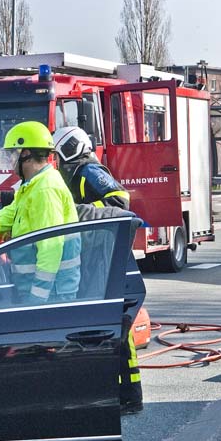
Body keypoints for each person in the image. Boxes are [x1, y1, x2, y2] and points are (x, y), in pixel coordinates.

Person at [0, 121, 81, 441]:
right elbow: (6, 218)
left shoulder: (44, 190)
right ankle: (45, 440)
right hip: (42, 293)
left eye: (14, 153)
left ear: (27, 154)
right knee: (39, 367)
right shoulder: (31, 185)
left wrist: (38, 300)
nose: (11, 159)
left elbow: (50, 247)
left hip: (51, 295)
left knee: (49, 370)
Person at [53, 126, 142, 414]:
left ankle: (129, 395)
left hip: (106, 256)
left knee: (118, 329)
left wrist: (79, 211)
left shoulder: (90, 170)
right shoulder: (72, 174)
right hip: (94, 256)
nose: (61, 159)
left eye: (63, 152)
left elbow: (119, 200)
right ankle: (115, 393)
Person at [53, 127, 130, 209]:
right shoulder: (73, 174)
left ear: (68, 150)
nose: (54, 159)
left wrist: (87, 210)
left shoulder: (89, 171)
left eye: (56, 155)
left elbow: (121, 199)